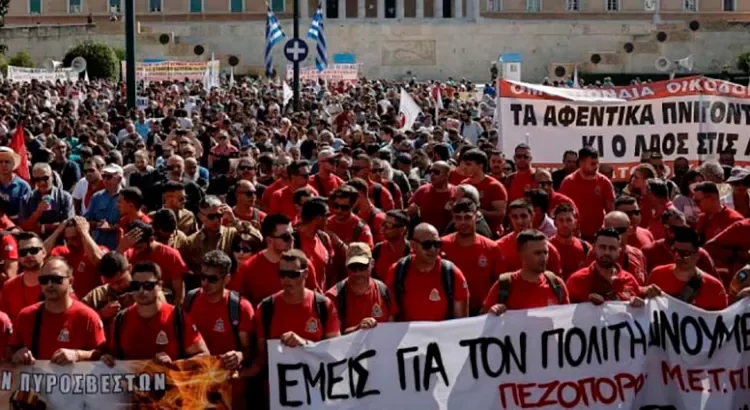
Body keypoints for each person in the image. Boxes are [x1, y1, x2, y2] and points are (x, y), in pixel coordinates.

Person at [101, 261, 209, 366]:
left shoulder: (178, 318)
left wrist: (175, 364)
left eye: (148, 285)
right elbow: (112, 358)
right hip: (131, 383)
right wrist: (106, 359)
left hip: (169, 382)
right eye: (136, 286)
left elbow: (205, 356)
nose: (142, 291)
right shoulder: (120, 320)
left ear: (160, 285)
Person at [183, 251, 254, 407]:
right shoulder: (190, 300)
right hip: (196, 388)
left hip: (229, 390)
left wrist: (240, 355)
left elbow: (251, 350)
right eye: (203, 277)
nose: (205, 283)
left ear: (227, 279)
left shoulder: (240, 308)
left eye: (212, 279)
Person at [9, 257, 105, 364]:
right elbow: (11, 351)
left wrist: (79, 355)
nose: (49, 284)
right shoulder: (26, 316)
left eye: (56, 279)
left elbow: (103, 354)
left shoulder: (88, 317)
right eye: (44, 280)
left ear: (71, 281)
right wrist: (18, 355)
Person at [254, 250, 339, 367]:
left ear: (305, 274)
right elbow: (261, 356)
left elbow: (335, 350)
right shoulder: (266, 307)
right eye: (283, 274)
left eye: (293, 274)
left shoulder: (323, 305)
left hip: (314, 381)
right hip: (277, 383)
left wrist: (304, 344)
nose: (287, 280)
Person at [386, 223, 469, 321]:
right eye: (427, 245)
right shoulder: (397, 271)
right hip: (408, 335)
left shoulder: (452, 274)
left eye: (437, 244)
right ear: (413, 245)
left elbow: (461, 321)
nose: (433, 249)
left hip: (441, 335)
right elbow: (389, 314)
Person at [232, 214, 319, 306]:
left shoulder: (303, 264)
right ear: (269, 240)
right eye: (286, 237)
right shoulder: (249, 268)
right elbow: (238, 304)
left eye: (293, 234)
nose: (292, 239)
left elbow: (314, 300)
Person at [482, 230, 570, 314]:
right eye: (537, 253)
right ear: (521, 254)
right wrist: (492, 312)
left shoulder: (557, 284)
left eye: (545, 252)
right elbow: (483, 322)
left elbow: (566, 318)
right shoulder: (504, 286)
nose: (544, 258)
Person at [441, 199, 501, 316]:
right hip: (449, 313)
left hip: (481, 312)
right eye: (458, 218)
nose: (463, 222)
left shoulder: (492, 248)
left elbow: (499, 283)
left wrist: (490, 305)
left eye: (468, 217)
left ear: (476, 216)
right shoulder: (442, 245)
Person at [645, 227, 728, 311]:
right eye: (675, 251)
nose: (678, 256)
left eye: (685, 253)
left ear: (698, 255)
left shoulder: (714, 288)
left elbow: (722, 319)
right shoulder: (657, 275)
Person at [325, 243, 393, 333]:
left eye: (362, 267)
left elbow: (392, 327)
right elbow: (331, 337)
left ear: (372, 264)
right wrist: (358, 330)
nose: (357, 273)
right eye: (353, 267)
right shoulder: (333, 297)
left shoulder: (383, 291)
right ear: (346, 266)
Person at [566, 228, 643, 304]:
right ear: (594, 248)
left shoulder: (629, 280)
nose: (607, 252)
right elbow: (564, 311)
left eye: (612, 248)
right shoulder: (577, 281)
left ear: (619, 251)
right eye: (602, 247)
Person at [121, 220, 189, 304]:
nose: (136, 251)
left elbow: (179, 293)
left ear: (151, 239)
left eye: (139, 247)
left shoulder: (171, 255)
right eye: (133, 247)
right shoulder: (129, 253)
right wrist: (120, 249)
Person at [559, 146, 615, 242]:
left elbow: (611, 210)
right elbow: (561, 209)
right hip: (574, 236)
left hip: (598, 235)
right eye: (593, 164)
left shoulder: (604, 182)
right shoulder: (568, 182)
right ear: (581, 163)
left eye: (597, 163)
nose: (596, 167)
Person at [44, 217, 107, 299]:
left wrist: (84, 232)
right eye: (67, 239)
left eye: (74, 238)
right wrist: (58, 231)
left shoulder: (101, 249)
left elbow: (100, 262)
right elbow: (41, 254)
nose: (69, 243)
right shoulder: (63, 252)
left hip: (94, 304)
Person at [641, 209, 717, 278]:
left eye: (684, 228)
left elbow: (714, 283)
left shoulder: (699, 254)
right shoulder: (649, 252)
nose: (681, 232)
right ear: (666, 229)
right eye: (675, 229)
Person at [496, 200, 563, 275]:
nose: (519, 221)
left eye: (523, 216)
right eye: (515, 217)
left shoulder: (547, 249)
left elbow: (556, 282)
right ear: (510, 218)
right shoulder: (499, 247)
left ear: (532, 216)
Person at [587, 211, 647, 284]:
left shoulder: (637, 255)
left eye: (620, 230)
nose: (614, 233)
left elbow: (643, 285)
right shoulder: (594, 254)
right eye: (609, 230)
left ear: (629, 230)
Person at [0, 232, 46, 322]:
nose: (28, 255)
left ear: (44, 252)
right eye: (23, 252)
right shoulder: (9, 287)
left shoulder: (57, 282)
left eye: (33, 250)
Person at [81, 251, 135, 327]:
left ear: (129, 269)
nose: (116, 286)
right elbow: (78, 320)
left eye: (120, 281)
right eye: (111, 282)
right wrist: (101, 314)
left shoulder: (144, 290)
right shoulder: (97, 295)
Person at [459, 149, 507, 234]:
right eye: (464, 164)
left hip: (490, 233)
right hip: (466, 232)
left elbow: (500, 214)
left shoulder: (495, 186)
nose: (464, 167)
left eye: (468, 164)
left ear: (480, 166)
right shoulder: (464, 184)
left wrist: (478, 212)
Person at [19, 162, 74, 235]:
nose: (42, 183)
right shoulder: (27, 199)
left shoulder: (65, 197)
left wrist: (42, 227)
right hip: (35, 242)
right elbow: (23, 227)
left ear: (52, 176)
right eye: (38, 179)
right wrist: (38, 212)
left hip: (60, 241)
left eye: (45, 178)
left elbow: (68, 224)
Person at [292, 198, 335, 290]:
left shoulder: (324, 238)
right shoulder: (293, 240)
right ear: (317, 218)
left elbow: (330, 272)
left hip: (320, 299)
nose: (329, 219)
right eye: (327, 215)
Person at [408, 161, 456, 234]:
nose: (432, 175)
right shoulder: (422, 190)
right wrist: (411, 211)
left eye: (436, 172)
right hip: (425, 234)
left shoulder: (456, 192)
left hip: (448, 234)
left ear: (447, 175)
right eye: (431, 171)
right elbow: (409, 211)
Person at [85, 163, 123, 250]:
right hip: (98, 246)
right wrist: (98, 225)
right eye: (103, 176)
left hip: (118, 247)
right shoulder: (96, 197)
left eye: (109, 176)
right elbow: (87, 221)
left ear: (119, 179)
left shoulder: (126, 197)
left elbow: (130, 224)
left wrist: (113, 227)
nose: (105, 179)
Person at [549, 204, 590, 280]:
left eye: (569, 220)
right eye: (561, 220)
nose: (565, 224)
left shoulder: (586, 248)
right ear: (555, 223)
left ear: (575, 223)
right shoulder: (547, 247)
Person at [372, 210, 411, 281]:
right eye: (383, 224)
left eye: (388, 225)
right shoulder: (378, 250)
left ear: (402, 230)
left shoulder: (412, 253)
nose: (383, 228)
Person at [347, 178, 386, 244]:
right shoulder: (355, 215)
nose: (347, 201)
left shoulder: (379, 218)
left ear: (359, 194)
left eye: (349, 196)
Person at [0, 147, 32, 221]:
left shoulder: (23, 187)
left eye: (7, 161)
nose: (3, 164)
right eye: (0, 161)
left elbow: (28, 213)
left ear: (13, 164)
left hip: (16, 228)